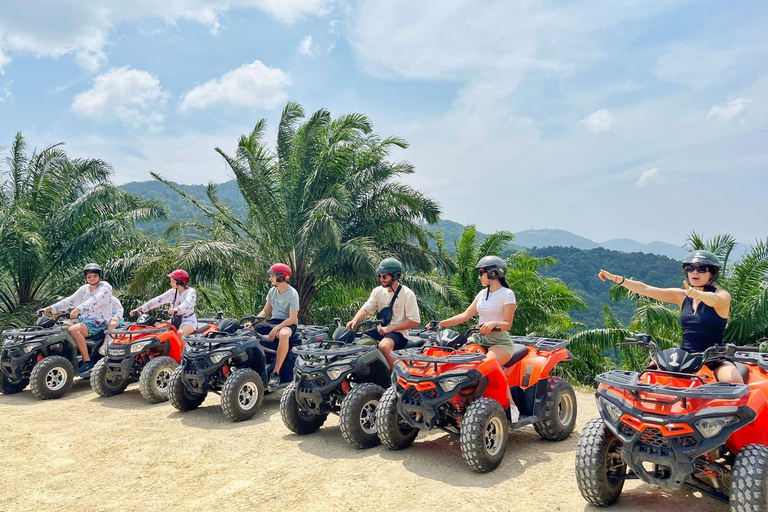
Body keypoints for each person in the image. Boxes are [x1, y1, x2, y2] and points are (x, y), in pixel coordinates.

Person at [598, 249, 740, 383]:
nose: (695, 272)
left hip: (714, 358)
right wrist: (617, 279)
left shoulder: (722, 296)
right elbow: (646, 289)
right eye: (690, 268)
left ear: (712, 273)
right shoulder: (682, 296)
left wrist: (699, 294)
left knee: (732, 380)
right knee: (647, 376)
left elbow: (715, 300)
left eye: (701, 269)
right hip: (685, 357)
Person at [438, 255, 520, 422]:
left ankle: (510, 405)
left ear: (493, 273)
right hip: (479, 339)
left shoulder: (507, 294)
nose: (479, 277)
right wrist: (441, 323)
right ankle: (459, 402)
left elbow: (507, 324)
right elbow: (465, 315)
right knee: (458, 361)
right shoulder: (482, 294)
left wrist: (493, 323)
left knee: (490, 363)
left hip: (500, 341)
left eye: (481, 273)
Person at [346, 258, 420, 369]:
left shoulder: (407, 294)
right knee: (355, 341)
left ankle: (396, 377)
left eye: (384, 276)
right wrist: (354, 320)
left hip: (398, 333)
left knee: (384, 346)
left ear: (395, 276)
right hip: (381, 330)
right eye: (379, 276)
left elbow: (414, 321)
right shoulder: (378, 291)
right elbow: (366, 309)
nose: (381, 279)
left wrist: (391, 328)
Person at [43, 263, 113, 375]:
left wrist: (78, 309)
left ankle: (87, 361)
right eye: (89, 276)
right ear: (86, 278)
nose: (92, 278)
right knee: (60, 325)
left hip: (100, 321)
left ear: (99, 276)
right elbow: (69, 301)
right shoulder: (85, 289)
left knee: (73, 330)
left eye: (94, 275)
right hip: (85, 320)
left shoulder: (105, 289)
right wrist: (50, 308)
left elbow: (95, 300)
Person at [247, 263, 300, 388]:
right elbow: (265, 312)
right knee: (248, 331)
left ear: (281, 277)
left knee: (283, 334)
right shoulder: (272, 291)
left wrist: (277, 328)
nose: (270, 278)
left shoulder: (293, 294)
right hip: (274, 321)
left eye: (272, 276)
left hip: (288, 323)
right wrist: (253, 322)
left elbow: (292, 318)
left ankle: (275, 373)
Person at [130, 269, 198, 337]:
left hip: (188, 320)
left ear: (180, 282)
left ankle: (183, 348)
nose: (171, 283)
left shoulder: (191, 292)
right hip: (174, 320)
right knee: (159, 332)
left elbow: (187, 303)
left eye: (173, 281)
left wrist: (177, 309)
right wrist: (140, 309)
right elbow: (158, 300)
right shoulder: (172, 292)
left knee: (180, 333)